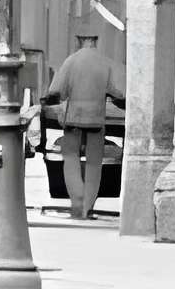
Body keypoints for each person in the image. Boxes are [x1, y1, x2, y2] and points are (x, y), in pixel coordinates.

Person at [41, 34, 125, 220]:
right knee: (95, 163)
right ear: (96, 41)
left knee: (70, 157)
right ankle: (88, 205)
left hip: (74, 118)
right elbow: (116, 91)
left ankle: (77, 201)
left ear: (78, 40)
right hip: (96, 118)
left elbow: (57, 91)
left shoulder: (71, 61)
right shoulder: (105, 63)